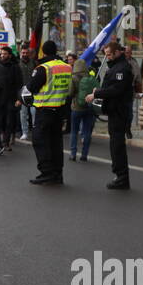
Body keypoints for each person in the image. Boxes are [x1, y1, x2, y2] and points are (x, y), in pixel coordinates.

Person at [87, 40, 134, 190]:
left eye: (109, 54)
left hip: (119, 112)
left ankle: (121, 177)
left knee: (117, 146)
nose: (107, 57)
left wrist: (97, 93)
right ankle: (120, 175)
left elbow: (116, 90)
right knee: (115, 145)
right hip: (114, 111)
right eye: (106, 55)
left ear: (117, 52)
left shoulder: (122, 69)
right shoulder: (115, 67)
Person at [28, 41, 72, 185]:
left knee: (40, 141)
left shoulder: (44, 68)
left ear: (44, 52)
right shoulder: (67, 67)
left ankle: (46, 172)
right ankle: (57, 174)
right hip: (60, 109)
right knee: (56, 143)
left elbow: (32, 87)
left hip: (45, 109)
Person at [68, 55, 98, 162]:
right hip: (89, 108)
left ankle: (73, 154)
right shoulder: (90, 77)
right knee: (87, 132)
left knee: (74, 131)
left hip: (76, 108)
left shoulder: (74, 78)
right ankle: (84, 155)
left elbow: (70, 93)